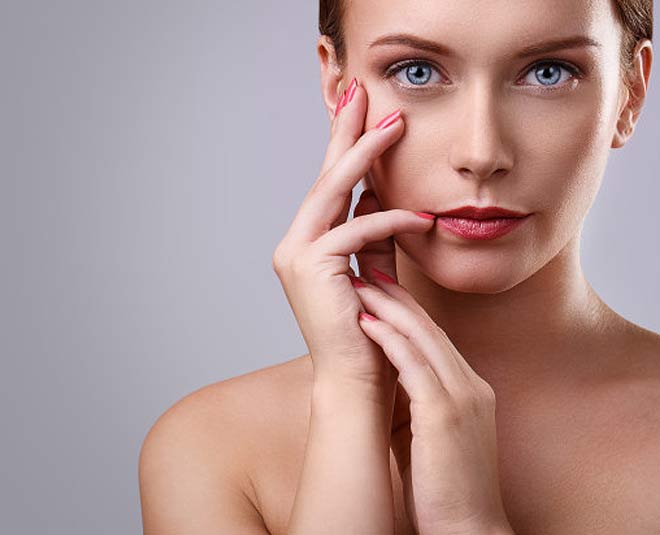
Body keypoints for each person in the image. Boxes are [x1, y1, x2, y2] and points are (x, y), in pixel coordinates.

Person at [138, 0, 657, 533]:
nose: (481, 154)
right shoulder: (212, 451)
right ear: (337, 86)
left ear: (630, 93)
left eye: (549, 72)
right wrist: (351, 396)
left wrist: (469, 524)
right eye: (417, 71)